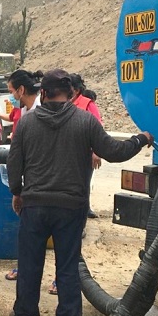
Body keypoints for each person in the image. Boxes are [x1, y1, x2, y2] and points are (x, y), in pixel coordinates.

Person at [6, 69, 153, 316]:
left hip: (34, 205)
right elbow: (114, 151)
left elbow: (14, 163)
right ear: (72, 94)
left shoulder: (26, 124)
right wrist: (140, 138)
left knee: (29, 262)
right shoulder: (85, 121)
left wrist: (18, 192)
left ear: (44, 94)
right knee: (68, 264)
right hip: (71, 208)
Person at [0, 70, 42, 283]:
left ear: (21, 90)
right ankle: (25, 269)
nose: (11, 96)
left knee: (60, 237)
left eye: (12, 91)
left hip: (47, 182)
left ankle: (59, 278)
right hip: (32, 181)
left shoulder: (43, 109)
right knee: (29, 233)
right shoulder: (26, 111)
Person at [69, 74, 103, 219]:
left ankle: (83, 212)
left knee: (82, 184)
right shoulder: (66, 103)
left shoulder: (88, 104)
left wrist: (96, 152)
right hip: (68, 151)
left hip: (84, 152)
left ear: (76, 90)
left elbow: (98, 128)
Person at [0, 69, 42, 137]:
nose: (10, 97)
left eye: (11, 92)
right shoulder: (24, 110)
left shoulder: (41, 112)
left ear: (21, 90)